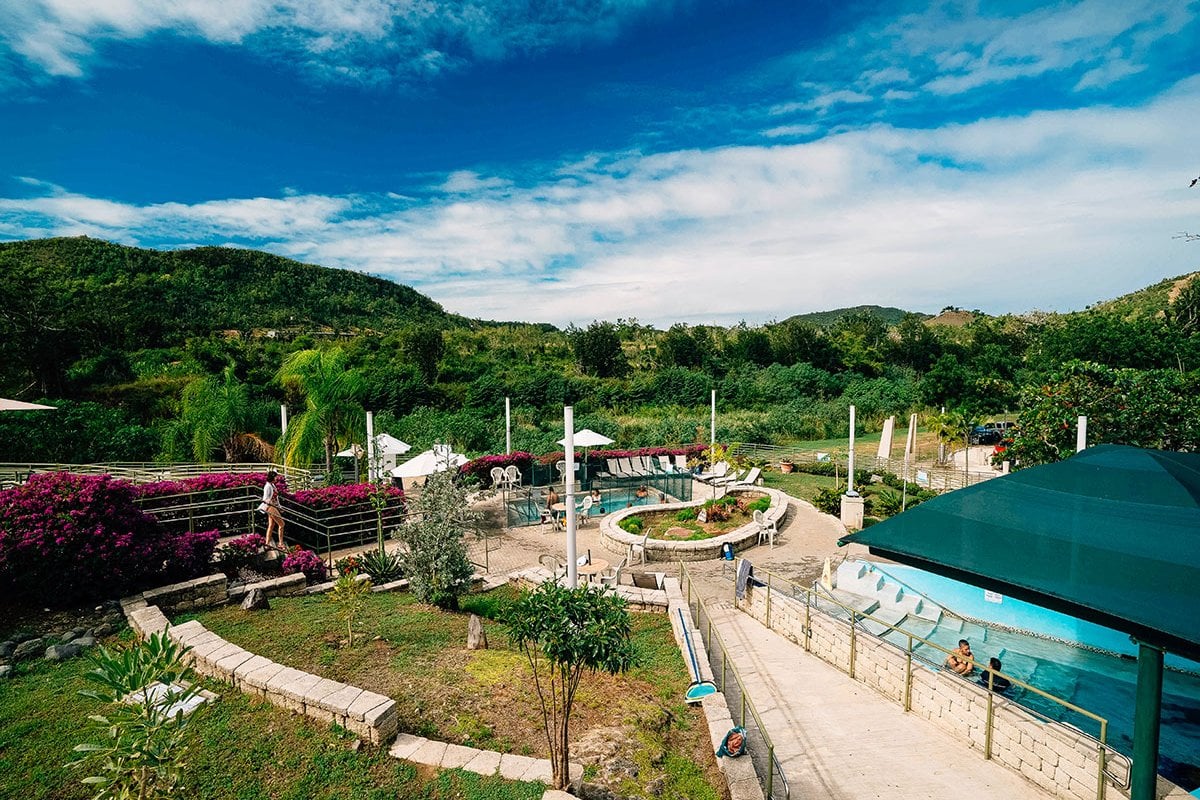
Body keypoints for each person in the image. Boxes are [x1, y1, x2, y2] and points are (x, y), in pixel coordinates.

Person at [260, 470, 285, 549]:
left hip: (273, 506)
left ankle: (267, 543)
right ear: (272, 477)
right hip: (270, 506)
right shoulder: (268, 486)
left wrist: (279, 507)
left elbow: (276, 498)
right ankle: (280, 543)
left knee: (271, 525)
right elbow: (266, 498)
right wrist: (273, 505)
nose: (277, 478)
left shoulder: (272, 485)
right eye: (275, 476)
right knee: (282, 524)